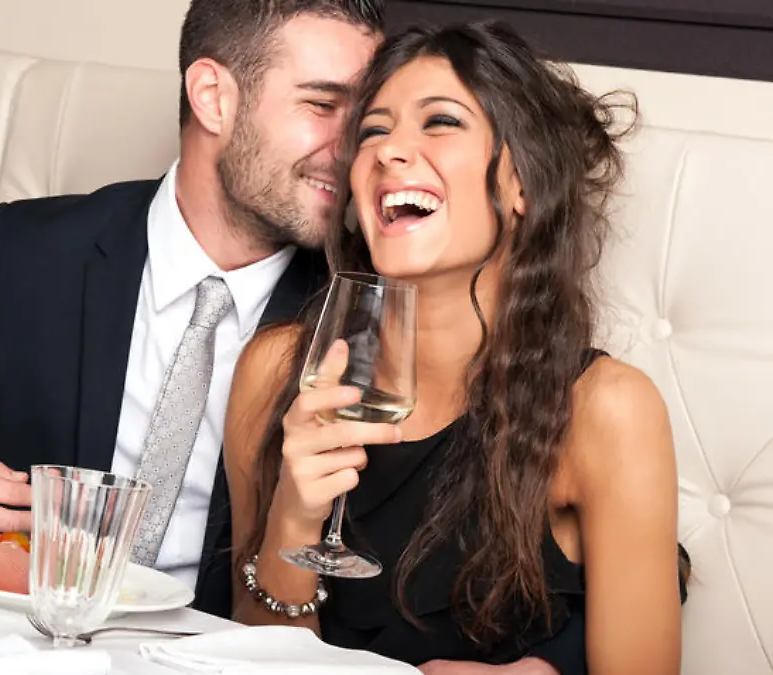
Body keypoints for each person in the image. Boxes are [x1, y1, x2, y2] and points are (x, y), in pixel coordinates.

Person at [0, 0, 381, 619]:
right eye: (322, 105)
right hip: (21, 636)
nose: (352, 149)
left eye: (365, 117)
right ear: (213, 97)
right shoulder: (31, 254)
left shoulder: (366, 310)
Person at [224, 20, 687, 675]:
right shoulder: (275, 373)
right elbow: (252, 659)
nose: (390, 151)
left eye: (440, 121)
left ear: (523, 183)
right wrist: (293, 520)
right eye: (373, 132)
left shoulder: (606, 411)